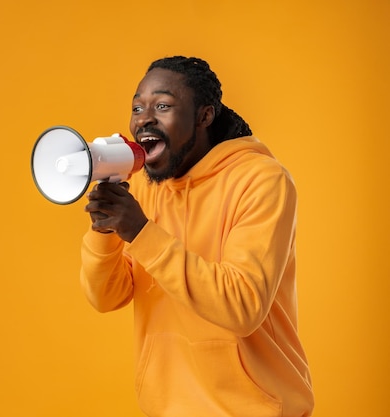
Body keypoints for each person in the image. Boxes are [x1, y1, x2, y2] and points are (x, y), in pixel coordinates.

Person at [80, 56, 314, 417]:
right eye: (137, 107)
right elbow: (106, 297)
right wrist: (105, 232)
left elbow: (242, 307)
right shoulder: (145, 187)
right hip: (167, 408)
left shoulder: (262, 181)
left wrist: (141, 231)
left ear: (205, 115)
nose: (144, 118)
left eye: (162, 105)